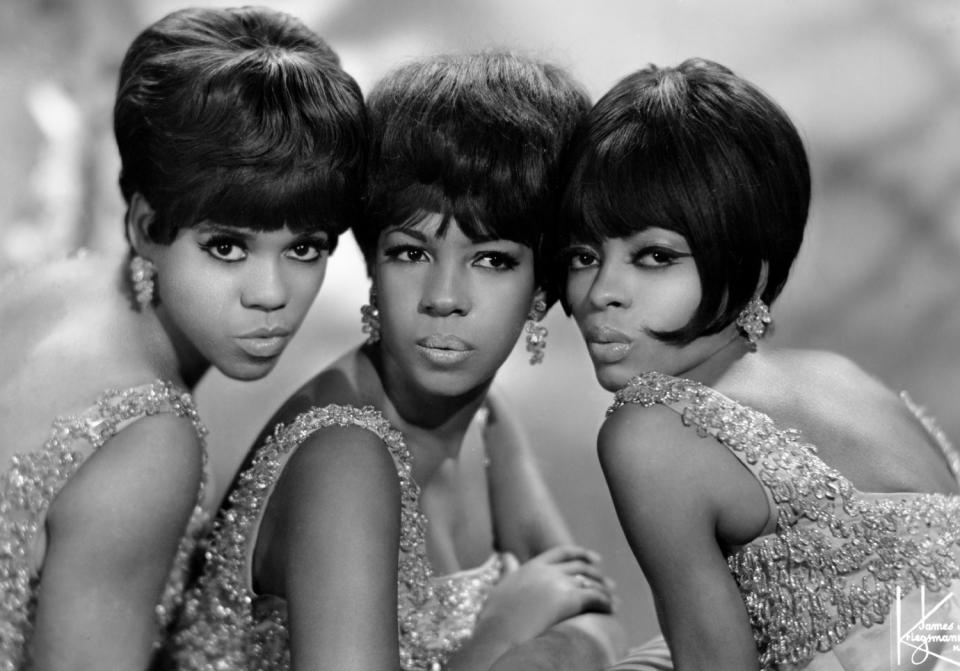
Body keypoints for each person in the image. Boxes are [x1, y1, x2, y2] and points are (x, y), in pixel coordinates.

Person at [168, 51, 630, 671]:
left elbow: (599, 620)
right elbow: (574, 632)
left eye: (491, 259)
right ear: (371, 266)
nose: (443, 299)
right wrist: (500, 635)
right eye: (411, 253)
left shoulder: (488, 429)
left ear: (543, 287)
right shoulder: (345, 456)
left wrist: (555, 647)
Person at [554, 57, 960, 670]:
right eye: (584, 254)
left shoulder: (650, 430)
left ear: (755, 264)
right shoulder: (842, 377)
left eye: (655, 256)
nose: (599, 291)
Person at [0, 6, 366, 669]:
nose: (272, 292)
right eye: (227, 246)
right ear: (145, 225)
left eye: (306, 247)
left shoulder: (48, 288)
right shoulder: (147, 437)